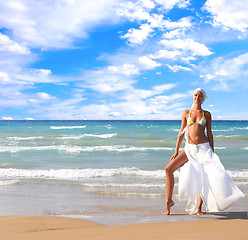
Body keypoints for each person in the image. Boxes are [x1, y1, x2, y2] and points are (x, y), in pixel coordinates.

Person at [164, 88, 244, 215]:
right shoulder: (186, 113)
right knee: (168, 169)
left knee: (204, 176)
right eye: (195, 95)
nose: (197, 97)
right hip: (189, 148)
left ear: (203, 99)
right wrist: (176, 150)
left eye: (200, 96)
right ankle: (169, 201)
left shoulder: (206, 114)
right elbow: (181, 132)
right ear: (193, 96)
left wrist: (212, 150)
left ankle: (199, 208)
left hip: (204, 149)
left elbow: (210, 133)